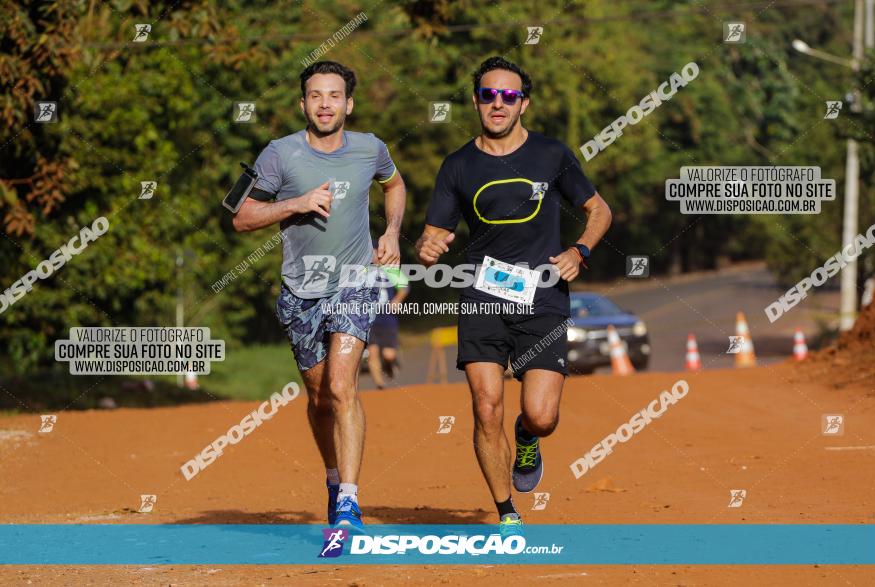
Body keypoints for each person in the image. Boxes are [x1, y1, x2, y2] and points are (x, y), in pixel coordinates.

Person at [415, 56, 612, 534]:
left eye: (508, 95)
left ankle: (527, 437)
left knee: (542, 416)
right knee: (486, 406)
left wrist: (580, 250)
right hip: (482, 296)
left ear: (523, 102)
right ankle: (507, 512)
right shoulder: (458, 165)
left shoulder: (551, 155)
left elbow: (599, 209)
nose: (497, 104)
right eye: (488, 94)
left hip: (543, 296)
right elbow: (433, 234)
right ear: (477, 101)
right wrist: (427, 246)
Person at [232, 61, 406, 529]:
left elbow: (394, 184)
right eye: (315, 95)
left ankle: (349, 501)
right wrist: (296, 203)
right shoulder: (278, 154)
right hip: (300, 288)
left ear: (348, 103)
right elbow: (241, 217)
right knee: (318, 396)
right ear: (302, 103)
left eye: (334, 95)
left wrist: (391, 233)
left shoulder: (371, 149)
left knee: (340, 385)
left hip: (354, 281)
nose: (325, 104)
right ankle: (333, 479)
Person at [367, 239, 409, 389]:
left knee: (388, 354)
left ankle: (391, 363)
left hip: (387, 316)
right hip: (370, 317)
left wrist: (397, 300)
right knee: (372, 352)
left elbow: (404, 287)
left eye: (377, 251)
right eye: (371, 252)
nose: (374, 255)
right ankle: (380, 384)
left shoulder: (390, 269)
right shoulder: (363, 271)